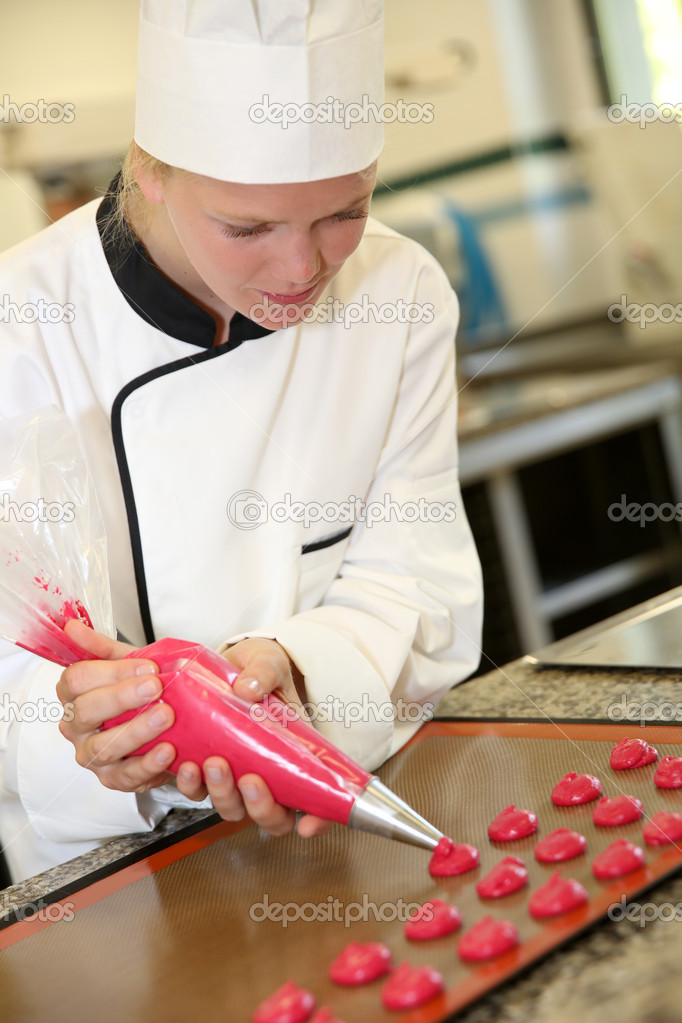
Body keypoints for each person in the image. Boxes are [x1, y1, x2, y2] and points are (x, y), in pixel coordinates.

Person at [0, 0, 482, 883]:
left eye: (345, 211)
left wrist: (296, 668)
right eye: (248, 228)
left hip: (346, 811)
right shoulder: (20, 328)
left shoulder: (399, 291)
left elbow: (419, 577)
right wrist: (98, 732)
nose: (301, 269)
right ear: (148, 170)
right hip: (112, 878)